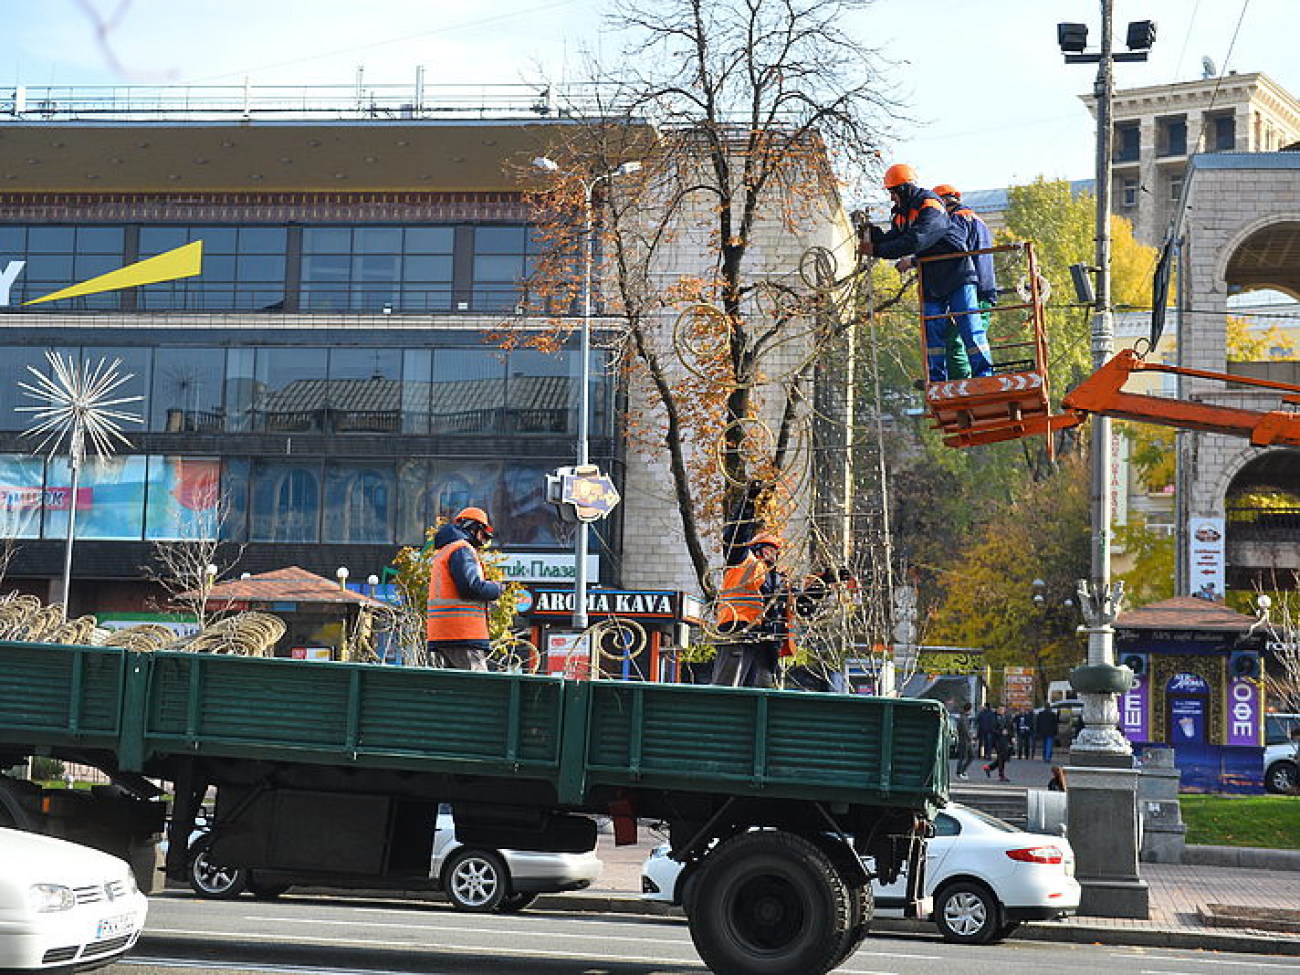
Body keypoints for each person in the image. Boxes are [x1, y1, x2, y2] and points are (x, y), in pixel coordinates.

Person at [862, 164, 994, 383]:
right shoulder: (902, 214)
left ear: (903, 189)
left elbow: (917, 239)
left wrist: (877, 250)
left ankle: (984, 375)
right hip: (932, 277)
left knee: (969, 326)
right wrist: (874, 236)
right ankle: (936, 379)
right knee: (933, 331)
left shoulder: (930, 205)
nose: (892, 198)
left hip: (956, 272)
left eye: (893, 193)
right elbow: (896, 237)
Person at [711, 483, 790, 689]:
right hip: (737, 632)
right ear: (756, 548)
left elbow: (800, 603)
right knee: (728, 688)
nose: (773, 554)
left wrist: (827, 580)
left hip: (762, 644)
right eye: (768, 549)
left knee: (757, 697)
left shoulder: (777, 580)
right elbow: (735, 535)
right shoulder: (743, 561)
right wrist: (748, 503)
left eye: (775, 551)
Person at [932, 184, 999, 380]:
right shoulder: (977, 219)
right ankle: (975, 379)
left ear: (942, 202)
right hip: (984, 289)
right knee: (972, 337)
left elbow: (951, 249)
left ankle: (963, 383)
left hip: (971, 291)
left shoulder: (957, 219)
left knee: (957, 341)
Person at [425, 506, 504, 671]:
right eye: (483, 534)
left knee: (454, 691)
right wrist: (496, 589)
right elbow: (471, 587)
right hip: (462, 634)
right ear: (474, 528)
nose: (483, 541)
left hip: (442, 634)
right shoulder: (462, 550)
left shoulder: (445, 550)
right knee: (478, 690)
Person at [983, 705, 1013, 782]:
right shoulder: (993, 717)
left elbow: (1010, 727)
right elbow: (992, 729)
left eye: (1002, 709)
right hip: (997, 740)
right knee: (1001, 757)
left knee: (1003, 758)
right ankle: (1001, 775)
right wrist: (1000, 732)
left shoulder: (1007, 717)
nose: (1001, 711)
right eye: (999, 709)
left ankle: (989, 768)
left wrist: (1012, 737)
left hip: (1005, 740)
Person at [954, 701, 976, 780]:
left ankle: (962, 770)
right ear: (969, 709)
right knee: (962, 757)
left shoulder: (965, 717)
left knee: (971, 756)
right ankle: (959, 773)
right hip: (964, 741)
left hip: (967, 741)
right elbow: (965, 730)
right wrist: (971, 738)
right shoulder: (963, 718)